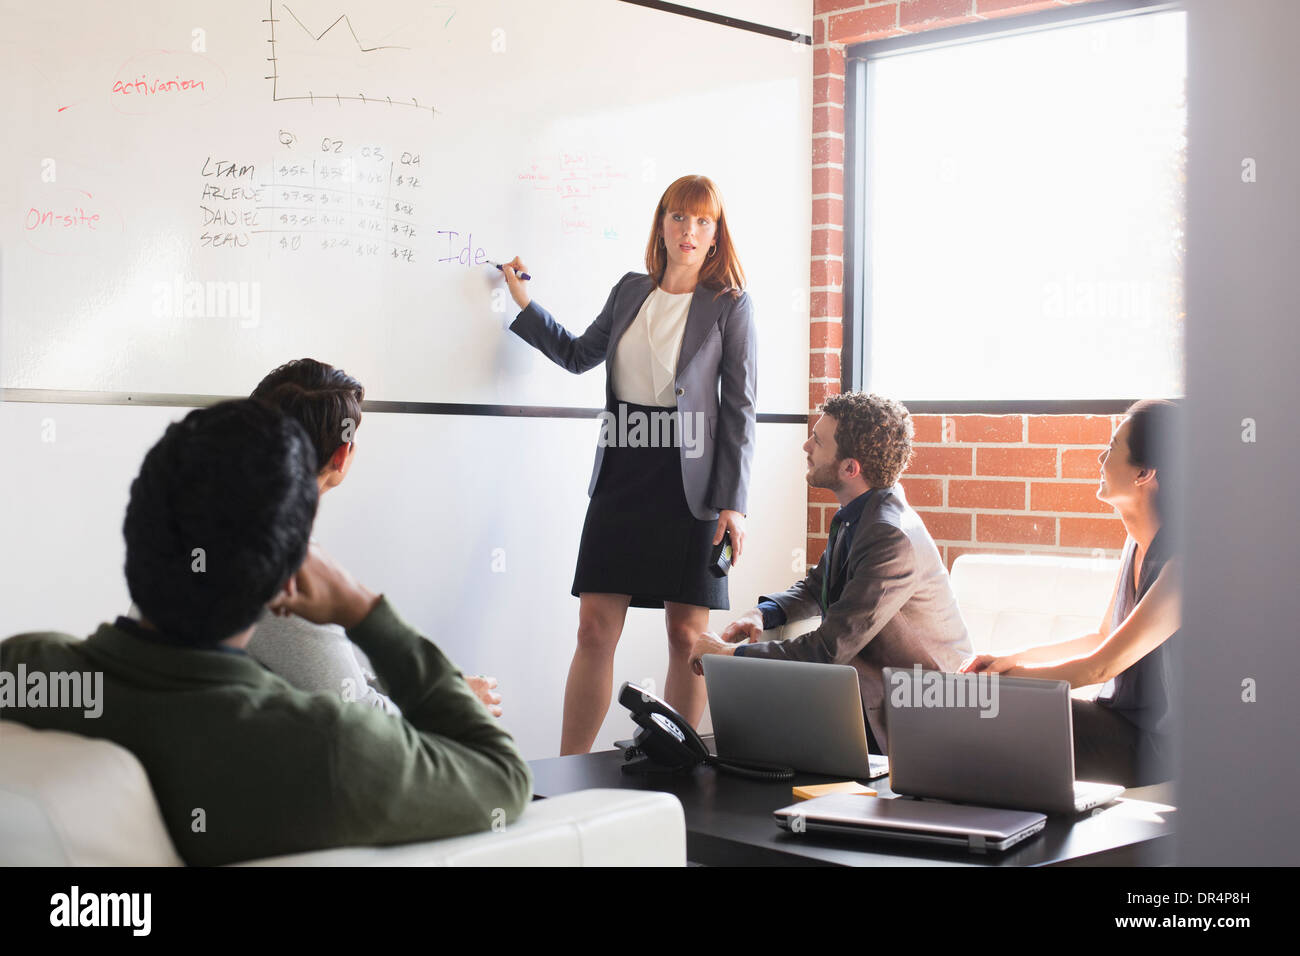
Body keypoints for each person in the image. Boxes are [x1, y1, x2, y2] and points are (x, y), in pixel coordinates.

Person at [0, 399, 532, 865]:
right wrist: (364, 610)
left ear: (136, 529)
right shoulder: (328, 750)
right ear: (287, 575)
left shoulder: (24, 669)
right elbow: (501, 777)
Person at [500, 174, 757, 755]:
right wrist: (523, 302)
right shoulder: (629, 290)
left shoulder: (729, 304)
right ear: (661, 224)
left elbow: (740, 406)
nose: (688, 231)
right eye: (678, 217)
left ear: (716, 234)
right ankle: (567, 773)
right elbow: (576, 355)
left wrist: (734, 504)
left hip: (691, 486)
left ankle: (682, 770)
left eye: (702, 221)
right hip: (623, 473)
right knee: (593, 630)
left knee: (687, 637)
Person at [689, 392, 971, 754]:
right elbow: (817, 586)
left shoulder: (890, 536)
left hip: (919, 716)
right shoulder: (860, 514)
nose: (806, 445)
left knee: (764, 747)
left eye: (818, 441)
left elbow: (827, 650)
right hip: (868, 691)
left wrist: (727, 657)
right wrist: (763, 612)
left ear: (849, 468)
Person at [246, 358, 502, 716]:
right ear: (342, 456)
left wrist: (439, 687)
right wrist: (454, 704)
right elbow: (358, 715)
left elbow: (343, 678)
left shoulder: (224, 522)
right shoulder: (283, 563)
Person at [959, 399, 1180, 787]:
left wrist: (1011, 682)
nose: (1100, 457)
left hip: (1163, 749)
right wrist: (1010, 660)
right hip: (1123, 725)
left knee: (1015, 717)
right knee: (1004, 721)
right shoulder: (1134, 545)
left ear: (1145, 472)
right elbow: (1101, 638)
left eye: (1112, 448)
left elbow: (1101, 666)